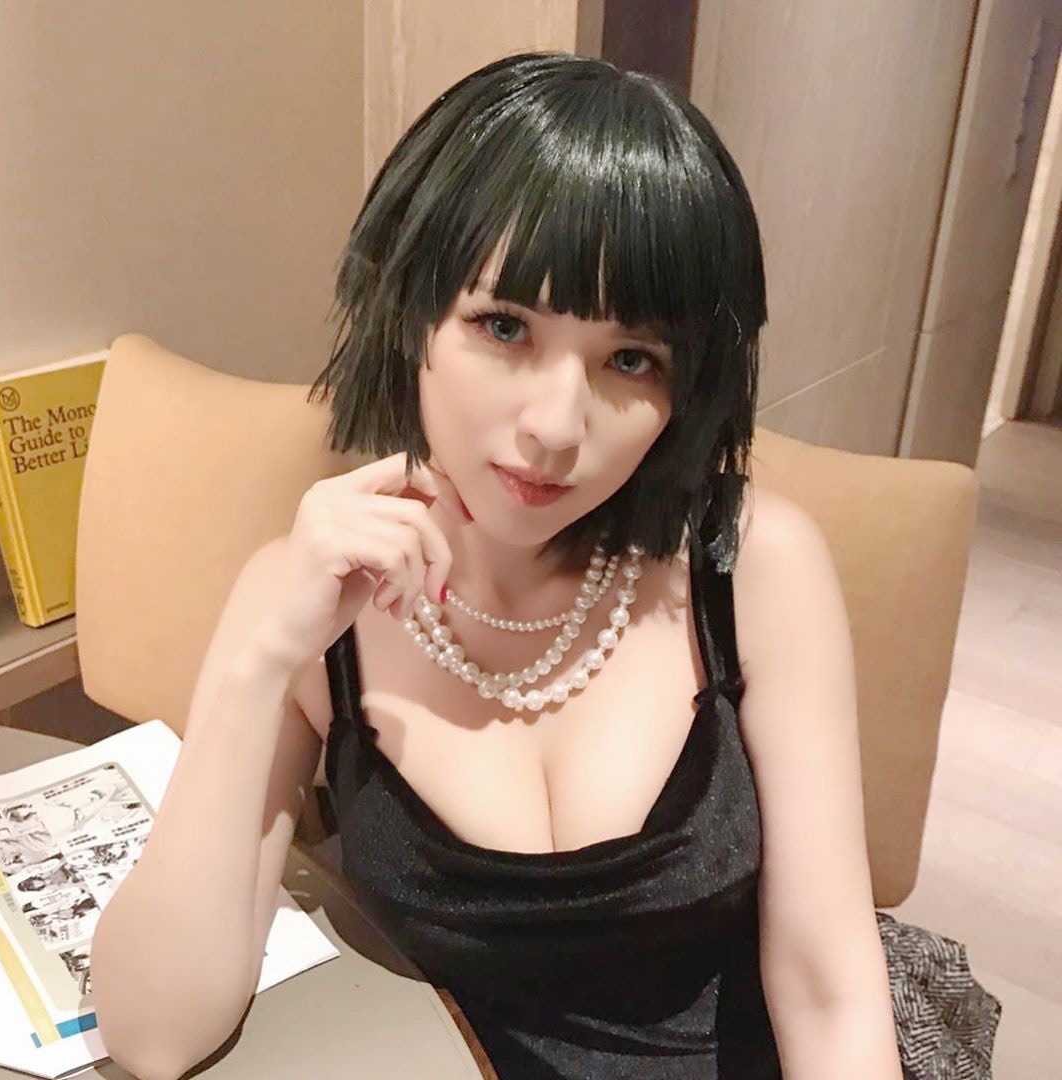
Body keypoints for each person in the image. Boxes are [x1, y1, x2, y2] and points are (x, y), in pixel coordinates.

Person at [90, 51, 999, 1080]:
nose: (558, 427)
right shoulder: (306, 597)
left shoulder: (751, 564)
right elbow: (156, 1034)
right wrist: (259, 665)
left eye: (631, 360)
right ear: (410, 313)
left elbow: (829, 994)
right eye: (504, 326)